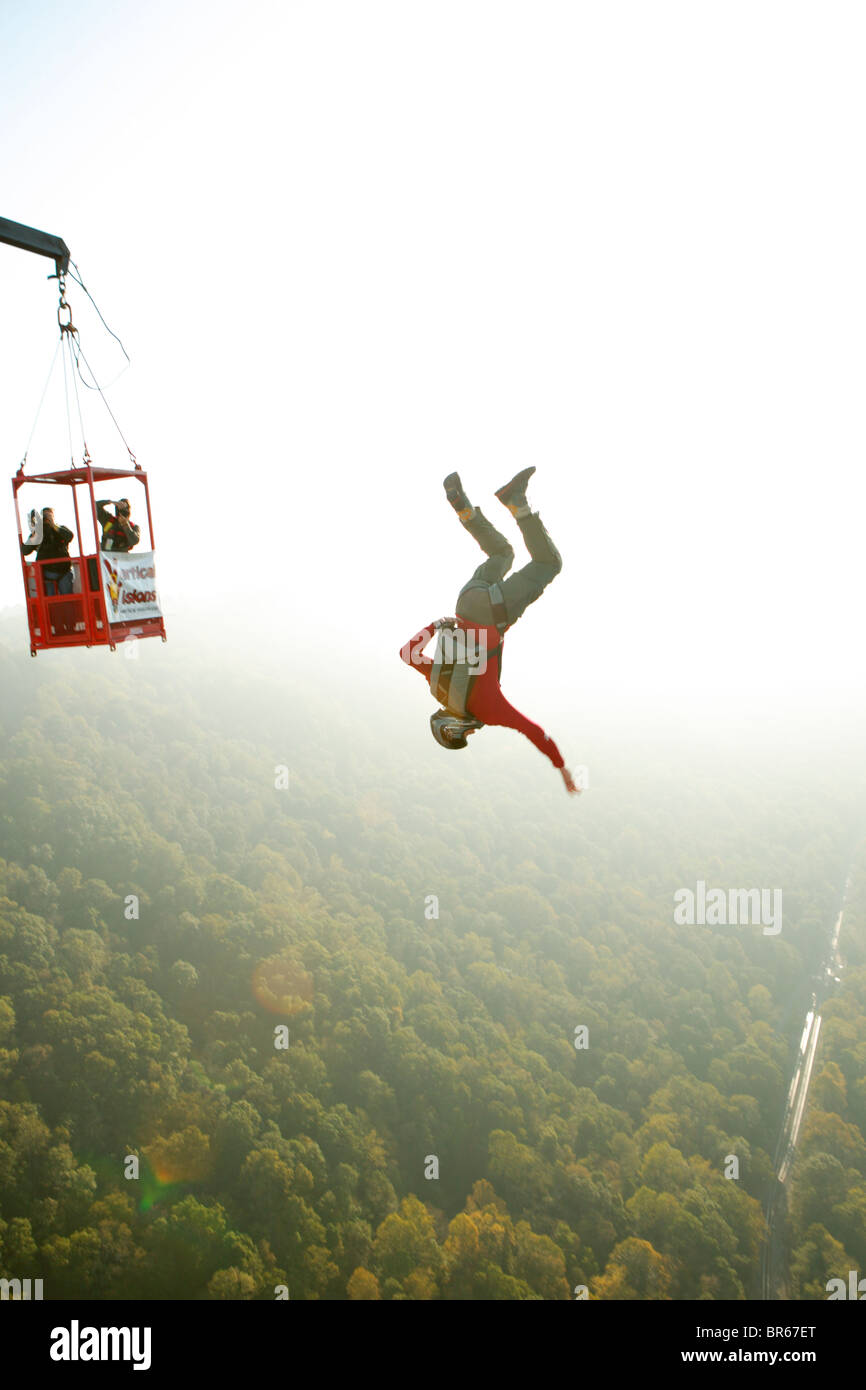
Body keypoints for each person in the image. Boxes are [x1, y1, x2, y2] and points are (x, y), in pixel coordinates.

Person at [401, 468, 580, 795]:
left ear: (452, 727)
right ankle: (464, 507)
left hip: (493, 611)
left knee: (549, 564)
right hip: (465, 600)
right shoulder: (437, 685)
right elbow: (407, 654)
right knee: (503, 554)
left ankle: (516, 500)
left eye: (464, 735)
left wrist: (562, 769)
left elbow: (534, 732)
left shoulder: (485, 708)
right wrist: (436, 625)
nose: (472, 732)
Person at [21, 507, 75, 595]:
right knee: (48, 603)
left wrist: (53, 525)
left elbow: (70, 536)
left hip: (64, 571)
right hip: (46, 574)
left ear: (53, 517)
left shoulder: (60, 529)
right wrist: (35, 530)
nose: (46, 517)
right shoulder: (38, 533)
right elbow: (25, 551)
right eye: (44, 515)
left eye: (49, 515)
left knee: (68, 601)